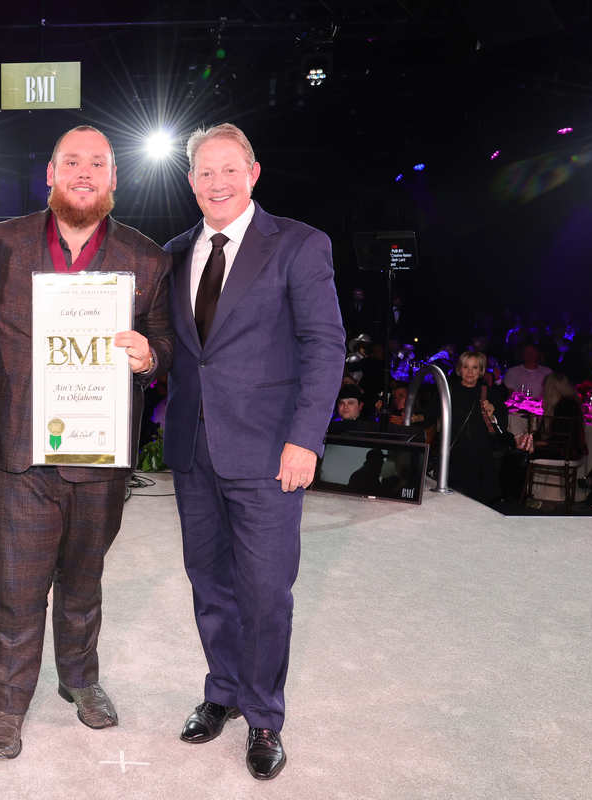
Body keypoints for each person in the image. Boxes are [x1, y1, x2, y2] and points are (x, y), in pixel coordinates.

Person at [0, 125, 174, 760]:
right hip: (20, 454)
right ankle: (7, 703)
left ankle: (80, 682)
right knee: (18, 588)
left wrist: (148, 354)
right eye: (71, 161)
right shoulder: (0, 245)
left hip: (101, 456)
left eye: (98, 163)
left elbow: (165, 346)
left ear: (114, 180)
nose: (84, 172)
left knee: (84, 580)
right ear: (48, 174)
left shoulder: (146, 257)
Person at [162, 123, 344, 781]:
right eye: (204, 172)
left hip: (271, 452)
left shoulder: (298, 244)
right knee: (209, 583)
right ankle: (222, 691)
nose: (217, 183)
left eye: (229, 170)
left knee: (265, 590)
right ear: (190, 181)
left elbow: (325, 347)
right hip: (193, 447)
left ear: (253, 173)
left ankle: (264, 716)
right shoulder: (174, 251)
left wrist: (305, 439)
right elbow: (170, 347)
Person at [447, 351, 506, 502]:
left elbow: (501, 430)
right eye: (466, 367)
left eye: (474, 367)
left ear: (481, 371)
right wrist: (412, 417)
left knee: (480, 506)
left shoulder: (490, 394)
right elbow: (429, 413)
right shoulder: (449, 391)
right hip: (455, 457)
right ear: (459, 369)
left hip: (480, 459)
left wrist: (492, 416)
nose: (470, 371)